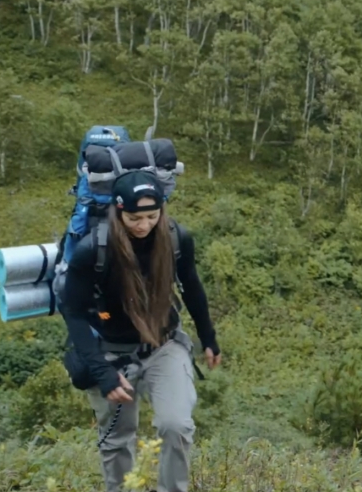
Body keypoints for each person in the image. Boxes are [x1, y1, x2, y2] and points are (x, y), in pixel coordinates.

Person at [60, 170, 221, 492]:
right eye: (134, 218)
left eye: (152, 216)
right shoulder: (93, 250)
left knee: (176, 426)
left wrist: (208, 337)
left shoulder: (176, 239)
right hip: (109, 350)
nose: (144, 225)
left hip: (164, 344)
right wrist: (101, 370)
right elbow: (73, 312)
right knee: (117, 438)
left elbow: (191, 286)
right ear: (118, 211)